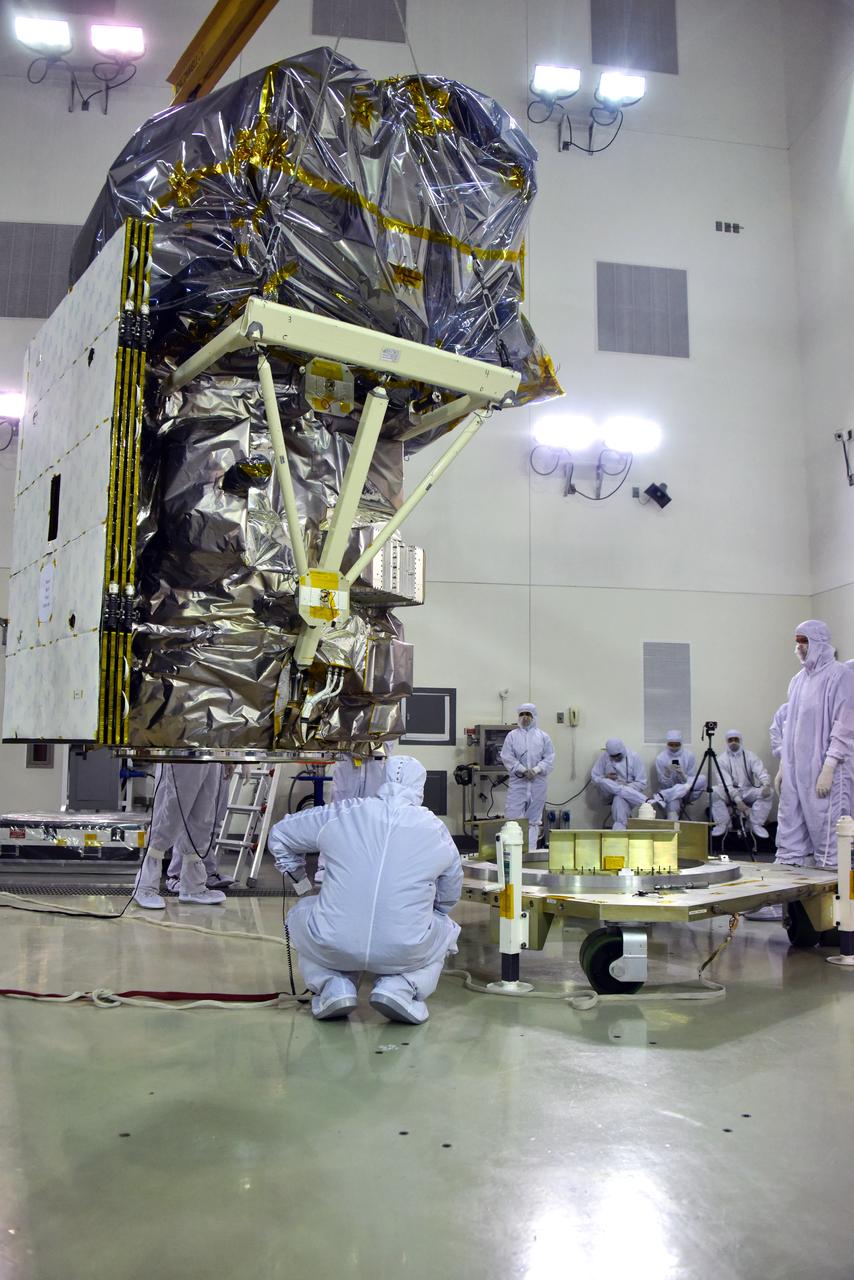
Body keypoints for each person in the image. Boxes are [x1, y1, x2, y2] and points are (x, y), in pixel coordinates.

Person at [268, 756, 462, 1025]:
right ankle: (401, 987)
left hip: (333, 943)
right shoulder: (436, 831)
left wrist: (301, 882)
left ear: (383, 778)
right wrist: (425, 912)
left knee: (302, 911)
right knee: (446, 927)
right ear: (421, 787)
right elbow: (449, 895)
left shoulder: (342, 813)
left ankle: (334, 985)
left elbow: (280, 834)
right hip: (405, 951)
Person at [775, 621, 854, 868]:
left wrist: (829, 767)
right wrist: (783, 767)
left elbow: (845, 725)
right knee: (791, 833)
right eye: (797, 641)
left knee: (828, 835)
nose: (799, 646)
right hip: (797, 773)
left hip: (825, 772)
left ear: (819, 642)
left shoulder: (840, 675)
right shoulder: (798, 680)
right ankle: (791, 900)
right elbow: (790, 726)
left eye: (804, 641)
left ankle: (832, 900)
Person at [133, 763, 231, 909]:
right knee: (169, 816)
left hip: (211, 754)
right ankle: (145, 887)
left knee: (203, 818)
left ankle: (193, 887)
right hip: (182, 754)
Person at [499, 703, 555, 848]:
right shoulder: (512, 736)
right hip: (518, 784)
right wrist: (522, 769)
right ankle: (513, 854)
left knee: (533, 820)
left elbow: (549, 758)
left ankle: (530, 853)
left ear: (534, 716)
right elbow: (507, 756)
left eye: (528, 714)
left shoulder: (543, 737)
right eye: (522, 714)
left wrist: (536, 769)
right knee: (513, 820)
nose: (525, 717)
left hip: (538, 784)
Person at [710, 730, 772, 839]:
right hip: (729, 793)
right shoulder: (721, 760)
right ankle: (723, 824)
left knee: (769, 793)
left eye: (736, 739)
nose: (733, 742)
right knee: (713, 792)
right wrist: (737, 800)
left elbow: (760, 771)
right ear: (726, 742)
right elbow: (726, 784)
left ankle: (755, 824)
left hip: (748, 790)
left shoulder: (750, 756)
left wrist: (766, 784)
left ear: (740, 740)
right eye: (730, 740)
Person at [590, 739, 648, 829]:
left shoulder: (634, 757)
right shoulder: (604, 757)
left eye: (618, 755)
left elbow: (642, 783)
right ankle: (646, 801)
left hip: (629, 793)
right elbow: (595, 778)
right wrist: (605, 777)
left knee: (619, 798)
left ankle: (619, 829)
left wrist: (627, 786)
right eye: (613, 756)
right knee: (603, 782)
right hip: (608, 793)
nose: (616, 758)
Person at [651, 730, 706, 818]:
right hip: (670, 791)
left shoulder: (689, 755)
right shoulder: (661, 758)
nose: (674, 747)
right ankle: (674, 831)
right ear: (667, 743)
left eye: (677, 744)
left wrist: (683, 775)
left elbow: (693, 780)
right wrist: (667, 774)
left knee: (702, 778)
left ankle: (663, 795)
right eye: (671, 744)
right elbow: (664, 785)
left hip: (686, 792)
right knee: (672, 808)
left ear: (681, 743)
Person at [769, 702, 788, 796]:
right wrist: (783, 756)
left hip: (813, 768)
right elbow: (775, 733)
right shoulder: (785, 710)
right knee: (787, 803)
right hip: (787, 765)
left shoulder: (818, 710)